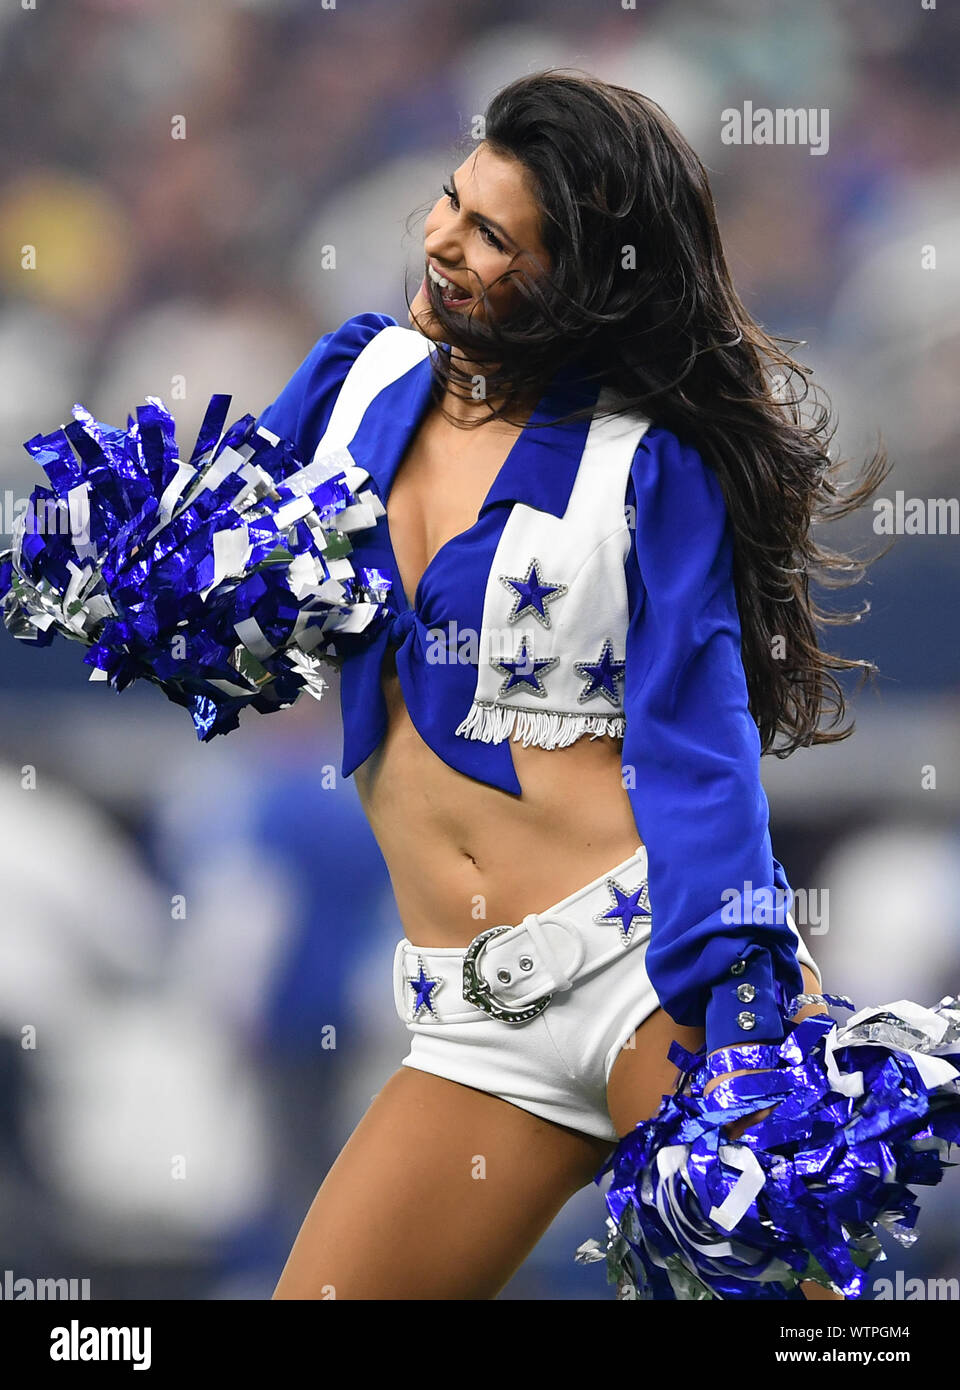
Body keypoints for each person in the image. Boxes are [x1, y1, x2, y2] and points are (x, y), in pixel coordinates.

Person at [257, 70, 887, 1301]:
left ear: (578, 278)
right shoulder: (355, 386)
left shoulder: (650, 470)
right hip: (474, 1024)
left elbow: (699, 752)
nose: (440, 238)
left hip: (653, 978)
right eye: (452, 200)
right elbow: (195, 558)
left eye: (493, 235)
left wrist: (744, 1034)